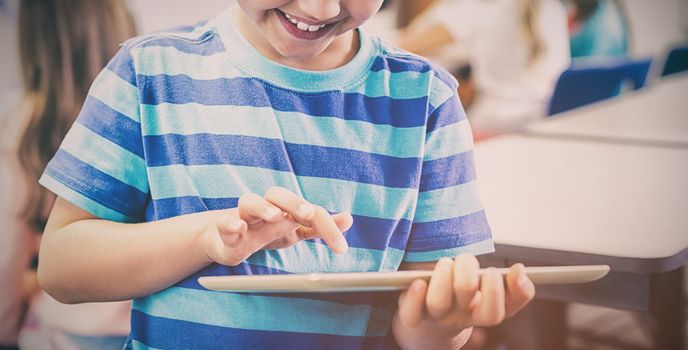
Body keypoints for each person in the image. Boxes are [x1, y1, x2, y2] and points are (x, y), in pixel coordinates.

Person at [36, 1, 536, 349]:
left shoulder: (426, 100)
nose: (319, 9)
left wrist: (441, 324)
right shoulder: (149, 72)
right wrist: (204, 237)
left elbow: (426, 326)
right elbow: (62, 267)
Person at [0, 0, 136, 349]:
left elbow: (7, 255)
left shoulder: (25, 124)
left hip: (63, 330)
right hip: (142, 325)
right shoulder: (146, 110)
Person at [399, 0, 570, 138]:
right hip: (546, 117)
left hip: (493, 124)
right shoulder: (554, 7)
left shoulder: (481, 7)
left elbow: (407, 45)